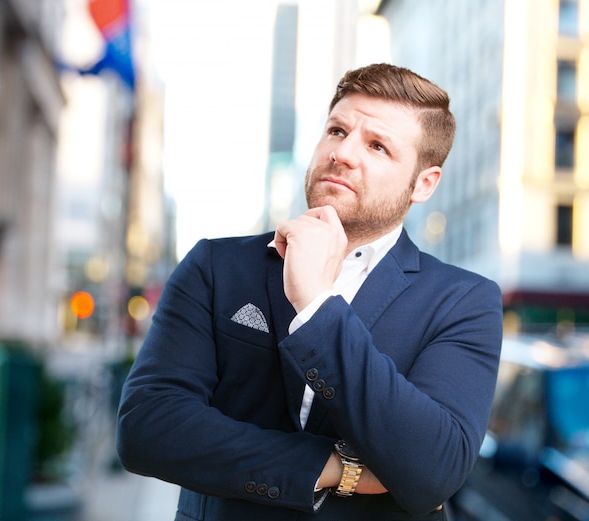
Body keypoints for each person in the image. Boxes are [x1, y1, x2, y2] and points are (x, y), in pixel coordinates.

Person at [116, 63, 503, 520]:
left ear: (424, 183)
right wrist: (336, 467)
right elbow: (147, 427)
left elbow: (433, 469)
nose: (344, 153)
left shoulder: (464, 301)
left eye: (377, 146)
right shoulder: (216, 266)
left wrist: (317, 305)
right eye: (337, 131)